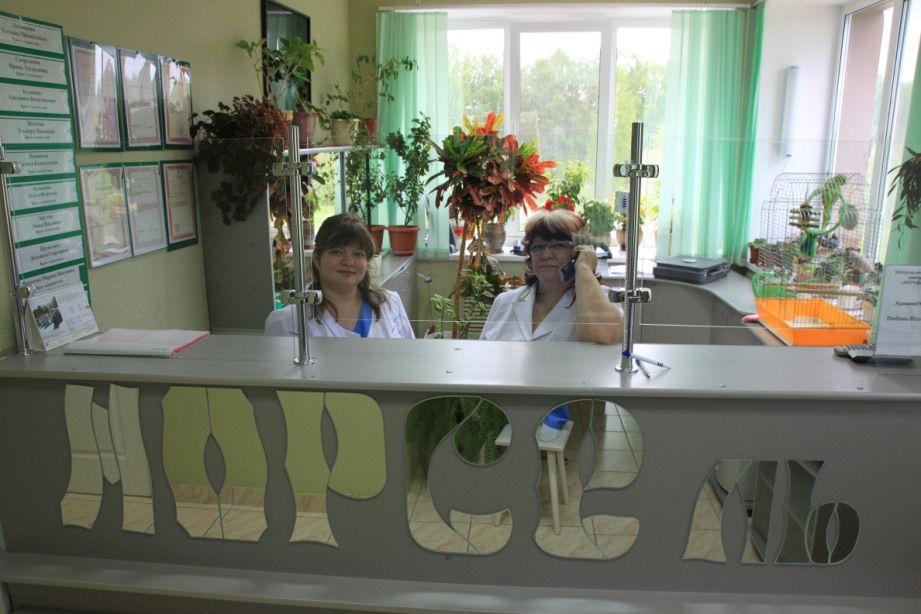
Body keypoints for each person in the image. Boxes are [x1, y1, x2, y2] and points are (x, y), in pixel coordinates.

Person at [480, 209, 623, 344]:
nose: (546, 255)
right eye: (538, 247)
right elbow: (483, 354)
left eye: (558, 246)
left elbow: (603, 335)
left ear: (579, 251)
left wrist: (584, 268)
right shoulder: (504, 302)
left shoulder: (604, 299)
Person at [264, 213, 415, 339]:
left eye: (358, 254)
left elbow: (411, 360)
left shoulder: (390, 303)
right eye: (337, 252)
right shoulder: (288, 321)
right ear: (316, 258)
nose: (348, 261)